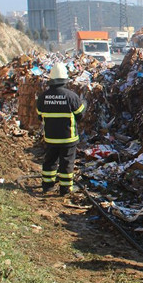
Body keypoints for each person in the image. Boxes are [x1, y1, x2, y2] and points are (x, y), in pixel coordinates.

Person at [36, 63, 85, 195]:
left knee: (50, 161)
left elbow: (39, 116)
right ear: (64, 80)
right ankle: (65, 189)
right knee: (67, 163)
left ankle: (47, 186)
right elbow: (80, 115)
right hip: (68, 138)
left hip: (51, 137)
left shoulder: (43, 97)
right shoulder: (71, 96)